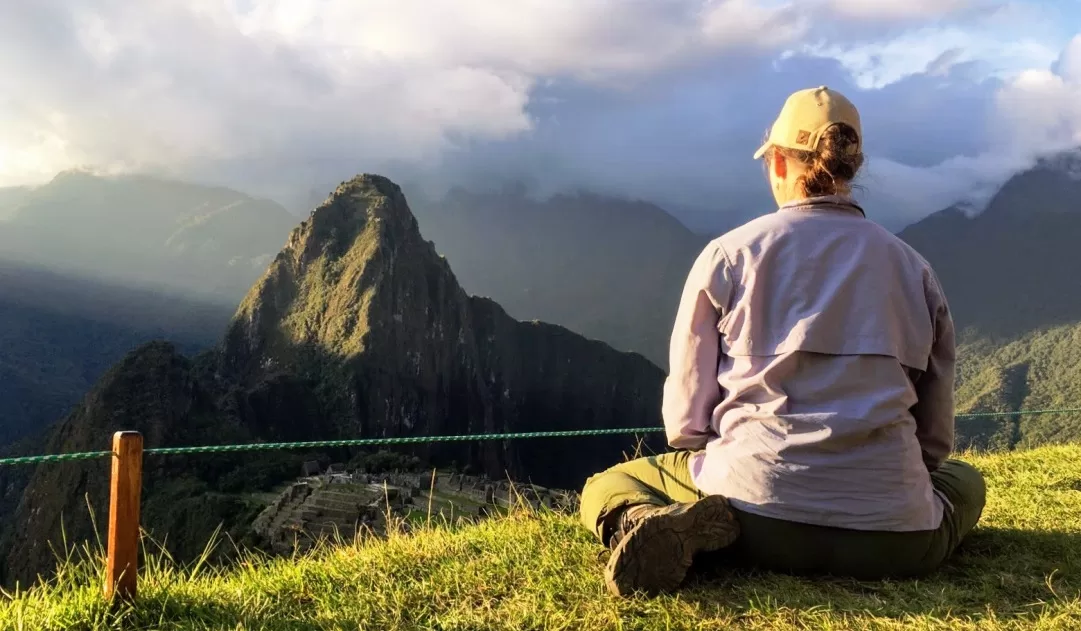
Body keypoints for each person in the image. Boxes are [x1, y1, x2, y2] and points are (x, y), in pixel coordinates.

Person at [579, 86, 986, 598]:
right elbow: (934, 440)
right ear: (854, 166)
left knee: (607, 485)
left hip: (752, 523)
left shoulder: (729, 256)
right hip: (895, 541)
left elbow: (685, 425)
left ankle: (644, 522)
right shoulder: (915, 270)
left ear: (776, 162)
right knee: (966, 481)